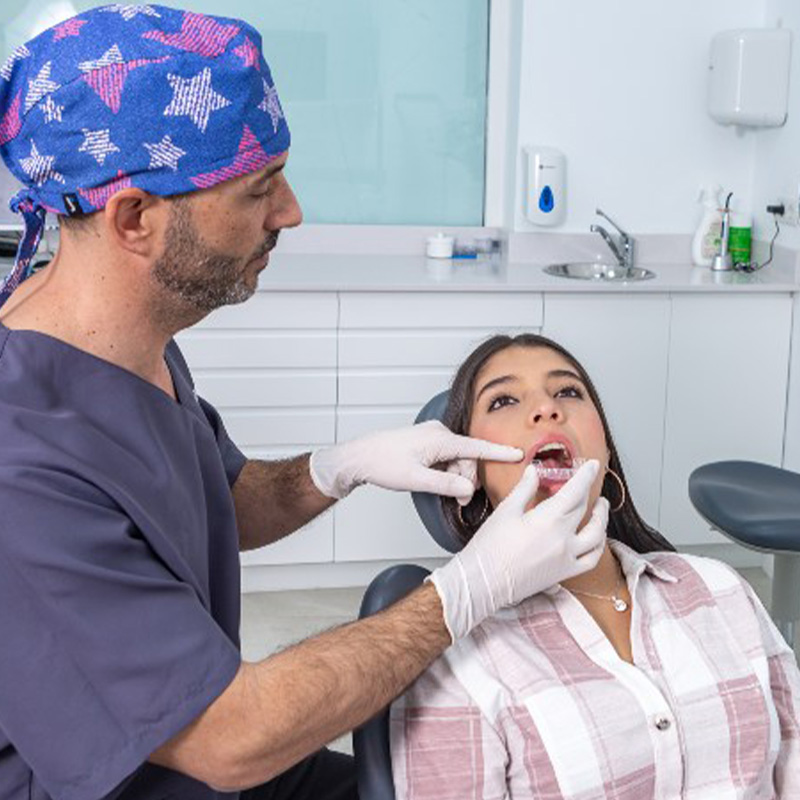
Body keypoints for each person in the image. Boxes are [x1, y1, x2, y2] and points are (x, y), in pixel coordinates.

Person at [0, 8, 610, 800]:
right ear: (136, 218)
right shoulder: (22, 464)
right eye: (260, 189)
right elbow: (228, 740)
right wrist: (467, 590)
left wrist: (342, 466)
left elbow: (214, 500)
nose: (290, 211)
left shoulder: (133, 340)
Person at [391, 333, 800, 799]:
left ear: (605, 453)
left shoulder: (720, 589)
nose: (546, 409)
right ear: (472, 472)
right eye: (503, 400)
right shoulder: (453, 659)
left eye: (568, 392)